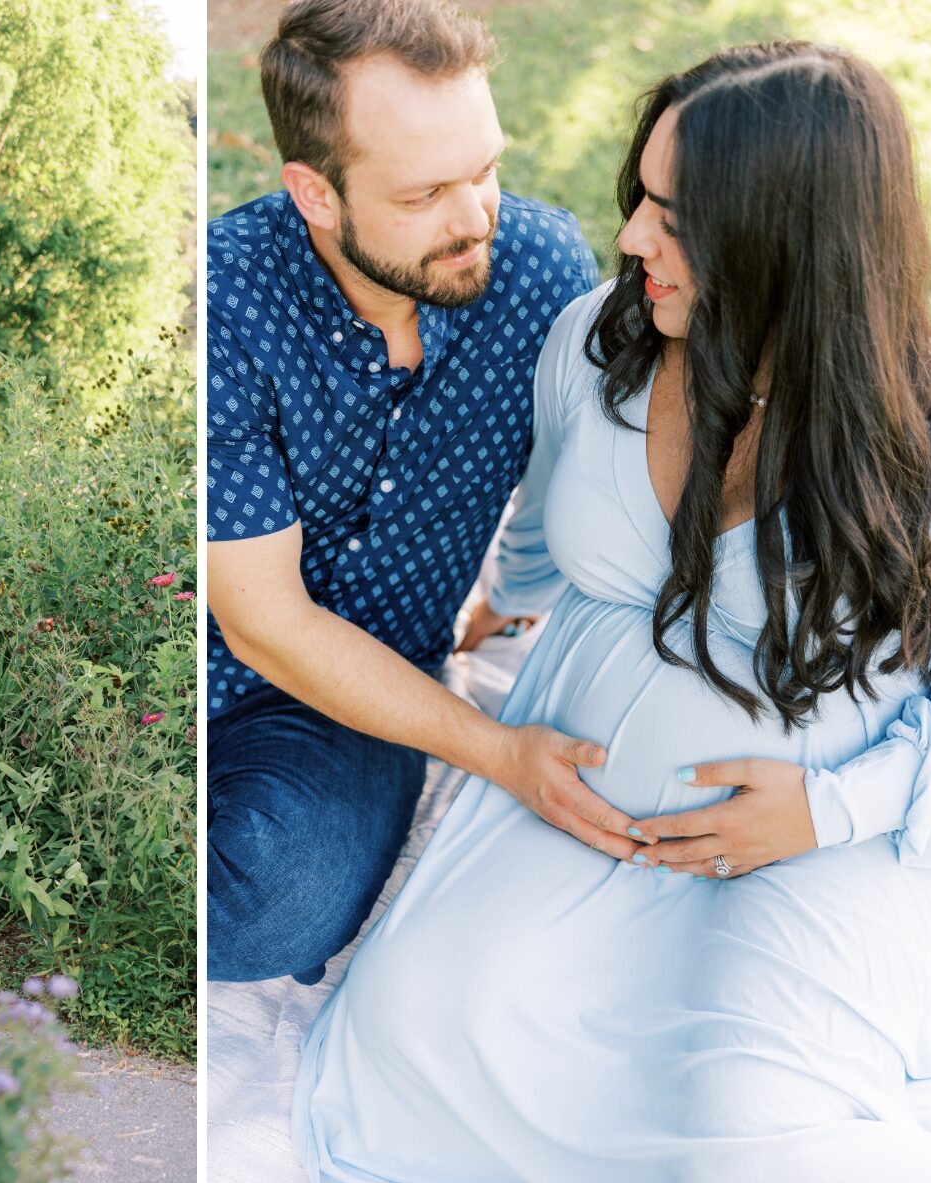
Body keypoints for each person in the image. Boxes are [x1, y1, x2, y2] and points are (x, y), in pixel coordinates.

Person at [292, 40, 931, 1183]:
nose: (628, 238)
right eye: (640, 200)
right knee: (411, 1037)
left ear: (785, 239)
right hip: (581, 799)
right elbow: (554, 519)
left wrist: (824, 810)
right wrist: (501, 606)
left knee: (739, 1133)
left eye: (672, 218)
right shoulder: (598, 340)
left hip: (816, 841)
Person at [207, 0, 616, 988]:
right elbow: (261, 625)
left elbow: (581, 478)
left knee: (271, 900)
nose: (474, 217)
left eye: (483, 169)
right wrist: (498, 751)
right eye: (425, 192)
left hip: (358, 700)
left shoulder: (540, 275)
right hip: (207, 648)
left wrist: (508, 605)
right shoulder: (228, 300)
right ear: (314, 193)